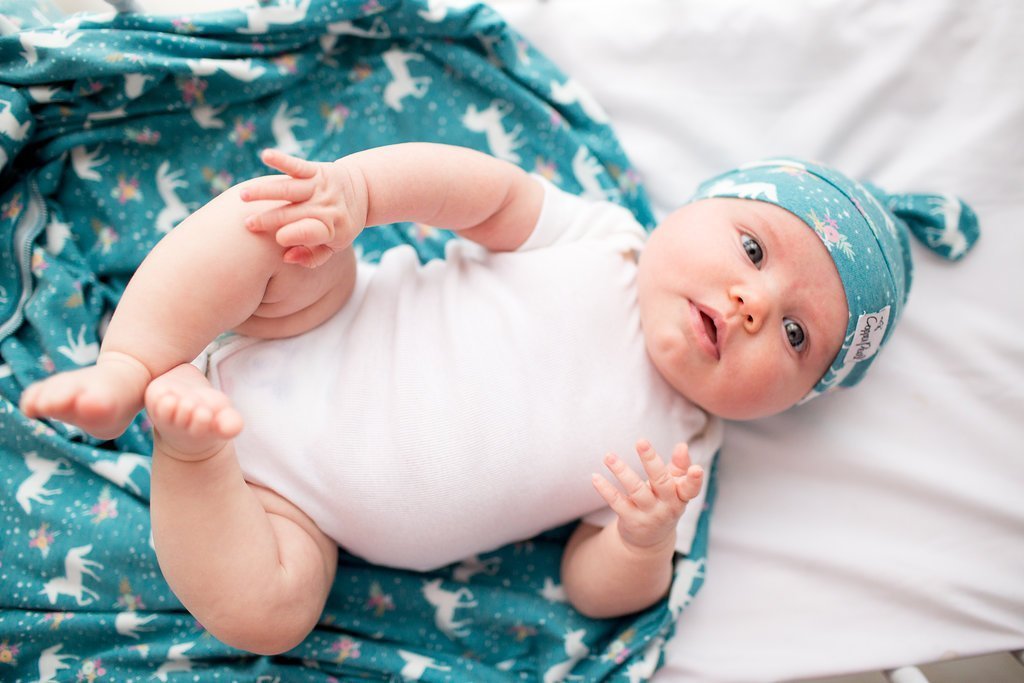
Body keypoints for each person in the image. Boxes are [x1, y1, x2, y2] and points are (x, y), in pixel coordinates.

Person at [18, 143, 978, 655]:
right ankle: (132, 362)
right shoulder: (602, 240)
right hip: (311, 321)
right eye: (756, 249)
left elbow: (592, 587)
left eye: (799, 336)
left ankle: (189, 451)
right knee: (273, 223)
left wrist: (640, 542)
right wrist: (356, 191)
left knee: (270, 614)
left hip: (294, 512)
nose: (753, 300)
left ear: (796, 399)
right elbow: (476, 192)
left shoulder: (683, 452)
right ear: (696, 207)